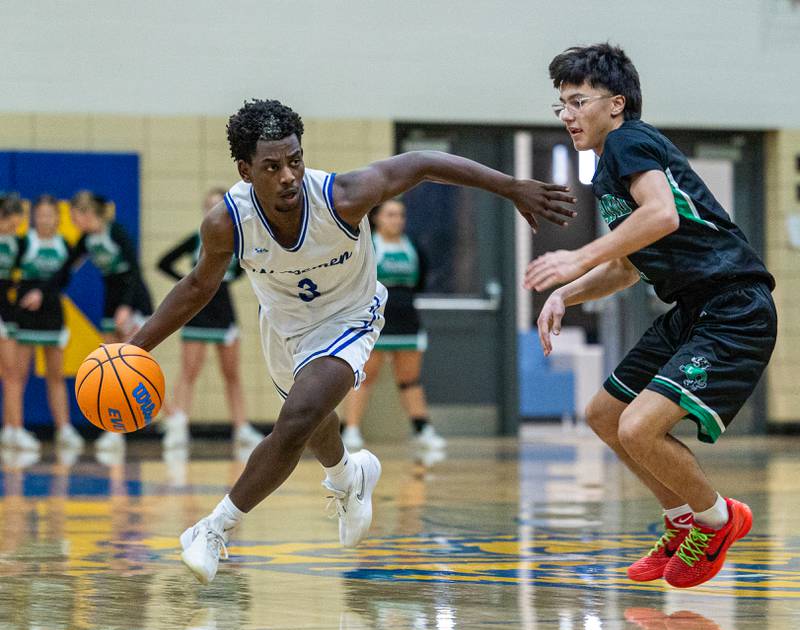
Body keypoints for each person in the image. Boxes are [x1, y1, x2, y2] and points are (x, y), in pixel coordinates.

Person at [126, 98, 575, 584]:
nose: (287, 176)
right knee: (313, 419)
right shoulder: (227, 221)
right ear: (245, 169)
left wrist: (509, 186)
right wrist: (134, 348)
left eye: (294, 160)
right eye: (271, 167)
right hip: (284, 328)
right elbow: (197, 287)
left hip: (350, 317)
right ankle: (347, 477)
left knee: (296, 419)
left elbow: (422, 164)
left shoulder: (341, 195)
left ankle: (215, 528)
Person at [526, 44, 777, 589]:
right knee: (604, 415)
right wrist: (563, 295)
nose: (566, 114)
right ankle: (681, 519)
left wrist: (577, 254)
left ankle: (717, 519)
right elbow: (625, 268)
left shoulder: (629, 140)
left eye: (576, 101)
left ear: (615, 104)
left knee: (639, 427)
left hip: (734, 307)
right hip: (691, 308)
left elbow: (660, 215)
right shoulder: (609, 169)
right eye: (559, 106)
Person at [29, 190, 154, 452]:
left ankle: (156, 417)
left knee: (131, 366)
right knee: (112, 368)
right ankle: (115, 430)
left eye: (74, 216)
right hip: (111, 299)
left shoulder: (115, 231)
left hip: (133, 300)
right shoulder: (86, 240)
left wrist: (126, 307)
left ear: (86, 214)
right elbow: (64, 271)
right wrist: (42, 291)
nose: (72, 222)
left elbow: (134, 270)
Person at [156, 188, 262, 450]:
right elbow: (164, 262)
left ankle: (241, 428)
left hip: (224, 310)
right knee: (189, 371)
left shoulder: (240, 241)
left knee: (232, 374)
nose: (214, 211)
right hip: (197, 311)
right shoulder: (196, 239)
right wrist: (191, 283)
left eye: (219, 206)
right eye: (210, 206)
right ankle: (178, 427)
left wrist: (224, 281)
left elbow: (248, 268)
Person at [342, 199, 444, 452]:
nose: (396, 220)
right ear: (377, 218)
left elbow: (420, 281)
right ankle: (351, 430)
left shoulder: (413, 247)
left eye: (400, 215)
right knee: (364, 376)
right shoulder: (366, 247)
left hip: (407, 319)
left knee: (410, 378)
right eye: (390, 215)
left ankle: (422, 429)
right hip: (374, 319)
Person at [11, 196, 86, 451]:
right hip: (25, 313)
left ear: (57, 217)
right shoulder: (23, 243)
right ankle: (15, 428)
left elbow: (62, 279)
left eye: (49, 214)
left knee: (55, 374)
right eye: (40, 214)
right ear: (33, 217)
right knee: (18, 374)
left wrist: (44, 293)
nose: (44, 219)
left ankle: (63, 428)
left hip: (53, 312)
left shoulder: (65, 245)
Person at [0, 195, 35, 451]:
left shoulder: (17, 243)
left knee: (12, 373)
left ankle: (14, 428)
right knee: (11, 373)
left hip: (6, 311)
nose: (13, 229)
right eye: (10, 224)